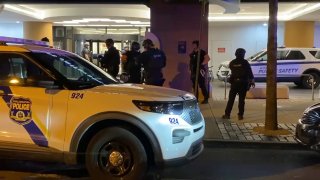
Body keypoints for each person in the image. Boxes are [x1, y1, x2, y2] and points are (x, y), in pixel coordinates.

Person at [222, 48, 255, 120]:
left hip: (234, 83)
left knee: (231, 100)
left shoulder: (232, 62)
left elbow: (232, 71)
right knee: (241, 100)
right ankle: (240, 115)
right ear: (243, 54)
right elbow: (250, 72)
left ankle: (227, 114)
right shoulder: (245, 62)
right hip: (243, 83)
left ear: (236, 54)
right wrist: (252, 81)